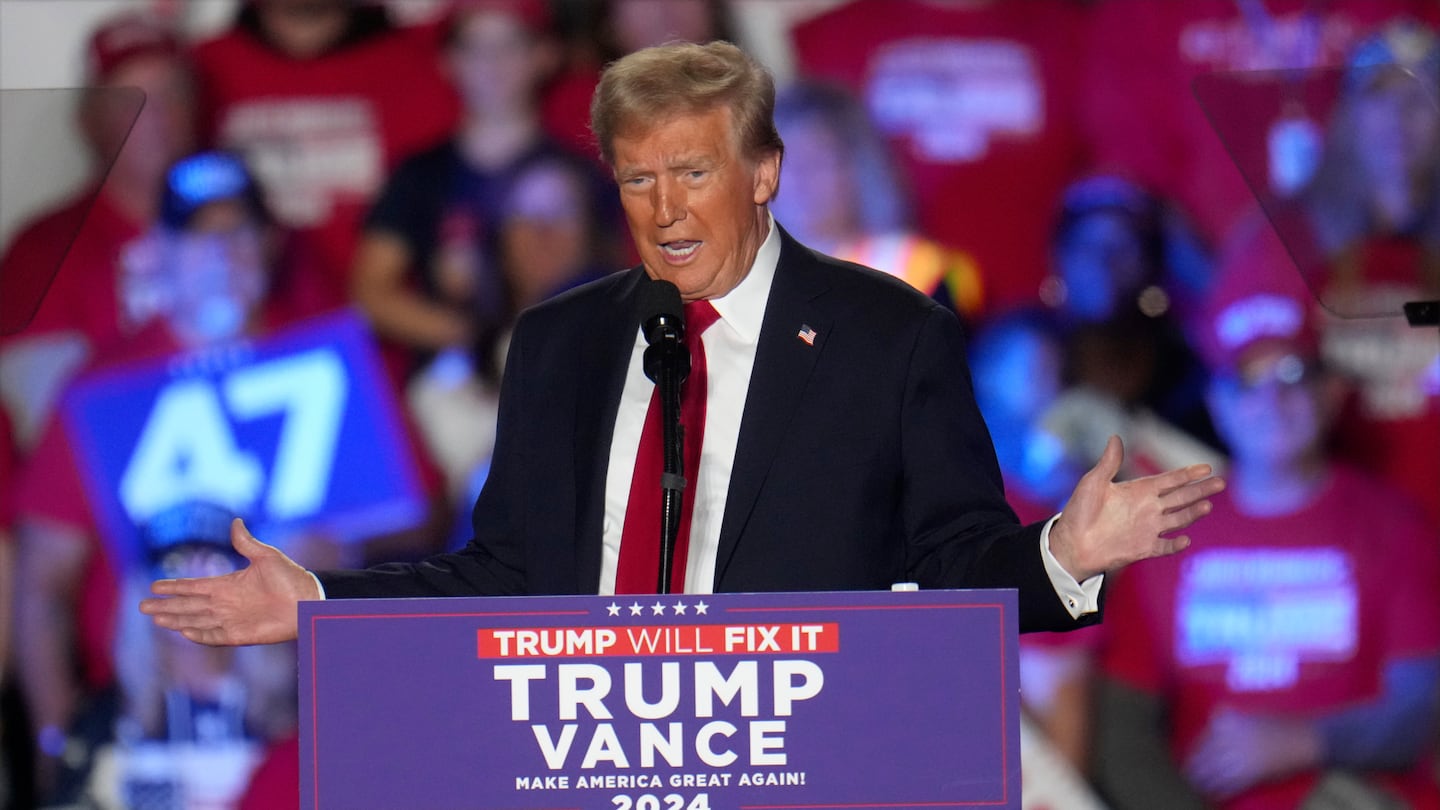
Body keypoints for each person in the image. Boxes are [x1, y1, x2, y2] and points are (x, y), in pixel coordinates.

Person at [140, 41, 1223, 650]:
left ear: (762, 173)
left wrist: (1063, 557)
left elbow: (953, 563)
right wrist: (320, 603)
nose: (663, 210)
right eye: (637, 178)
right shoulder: (561, 341)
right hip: (589, 762)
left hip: (797, 766)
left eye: (693, 173)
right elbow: (506, 572)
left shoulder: (887, 334)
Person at [1093, 265, 1440, 809]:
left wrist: (1306, 740)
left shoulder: (1395, 525)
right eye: (1245, 381)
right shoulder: (1166, 532)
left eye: (1293, 376)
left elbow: (1422, 706)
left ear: (1332, 392)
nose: (1272, 401)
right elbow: (1120, 726)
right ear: (1217, 403)